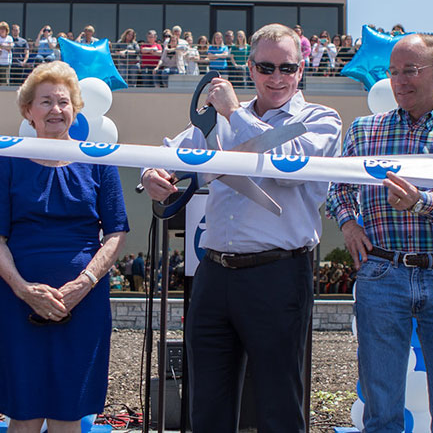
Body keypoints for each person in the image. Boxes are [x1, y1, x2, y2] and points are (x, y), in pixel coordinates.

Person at [142, 24, 342, 432]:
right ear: (250, 68)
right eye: (267, 67)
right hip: (214, 274)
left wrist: (234, 113)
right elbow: (169, 154)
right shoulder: (217, 119)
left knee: (279, 406)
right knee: (206, 405)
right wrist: (152, 175)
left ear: (301, 70)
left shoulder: (320, 118)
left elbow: (287, 167)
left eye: (287, 68)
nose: (277, 77)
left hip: (279, 274)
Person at [324, 34, 433, 432]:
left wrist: (418, 201)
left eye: (410, 71)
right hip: (382, 273)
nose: (400, 81)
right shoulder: (364, 131)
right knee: (381, 411)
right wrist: (348, 223)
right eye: (394, 72)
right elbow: (338, 188)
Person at [0, 61, 129, 433]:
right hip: (19, 302)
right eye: (45, 102)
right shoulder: (8, 161)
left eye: (63, 102)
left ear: (76, 109)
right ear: (28, 110)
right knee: (25, 412)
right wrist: (23, 289)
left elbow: (115, 233)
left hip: (83, 301)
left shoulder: (99, 160)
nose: (55, 110)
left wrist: (85, 282)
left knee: (69, 413)